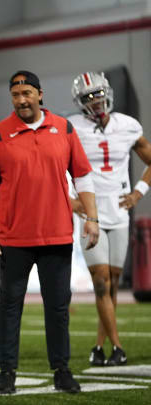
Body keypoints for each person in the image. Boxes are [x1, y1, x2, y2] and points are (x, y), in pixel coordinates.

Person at [0, 70, 100, 394]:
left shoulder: (65, 128)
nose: (21, 100)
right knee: (9, 307)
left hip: (57, 235)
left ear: (39, 94)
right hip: (14, 238)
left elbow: (83, 177)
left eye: (27, 93)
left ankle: (62, 371)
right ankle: (7, 373)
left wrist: (92, 217)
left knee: (58, 308)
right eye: (16, 95)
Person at [68, 71, 151, 366]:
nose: (96, 100)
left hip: (119, 212)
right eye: (89, 96)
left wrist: (138, 193)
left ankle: (99, 347)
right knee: (101, 281)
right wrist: (69, 197)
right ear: (80, 101)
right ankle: (118, 347)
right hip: (90, 214)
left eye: (99, 93)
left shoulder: (127, 126)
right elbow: (57, 167)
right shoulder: (72, 128)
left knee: (113, 283)